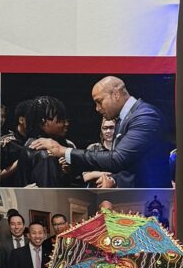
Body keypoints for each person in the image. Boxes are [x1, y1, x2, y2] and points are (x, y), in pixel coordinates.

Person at [30, 76, 170, 188]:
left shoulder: (145, 117)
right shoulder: (124, 119)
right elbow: (132, 165)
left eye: (99, 101)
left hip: (150, 201)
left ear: (115, 94)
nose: (97, 108)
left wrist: (63, 151)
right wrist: (114, 180)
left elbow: (118, 159)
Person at [11, 95, 77, 187]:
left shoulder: (30, 143)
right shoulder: (44, 154)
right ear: (44, 121)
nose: (65, 124)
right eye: (60, 119)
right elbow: (48, 194)